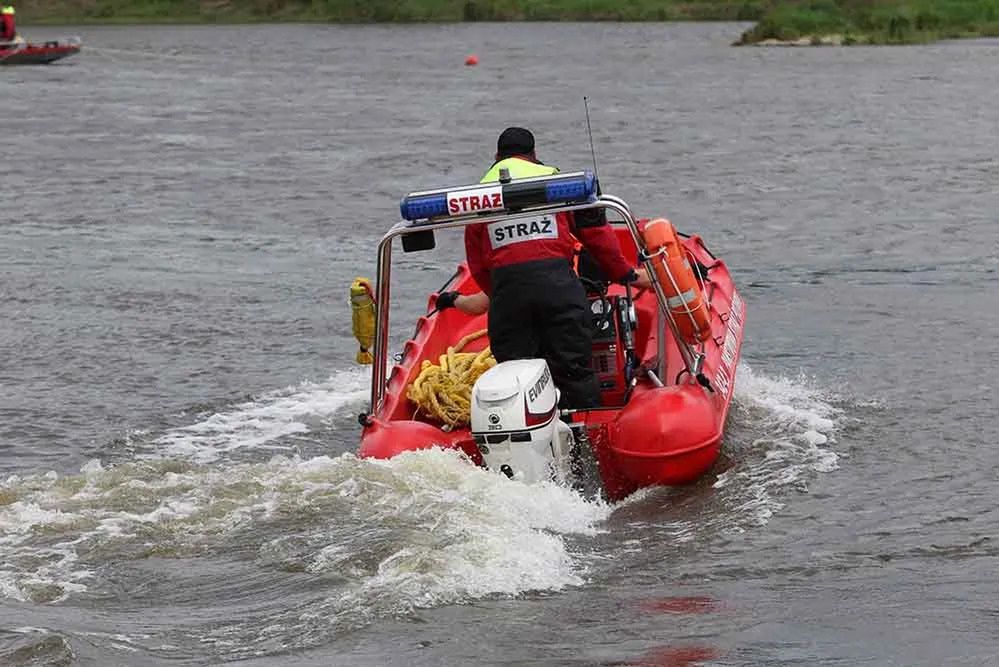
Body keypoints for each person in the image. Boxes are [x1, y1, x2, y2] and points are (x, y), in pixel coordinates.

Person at [438, 126, 651, 409]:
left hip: (509, 298)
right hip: (559, 290)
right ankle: (584, 440)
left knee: (515, 378)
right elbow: (596, 235)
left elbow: (478, 265)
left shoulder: (479, 196)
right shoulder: (556, 183)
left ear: (496, 156)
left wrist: (499, 294)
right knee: (574, 370)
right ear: (534, 155)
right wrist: (624, 273)